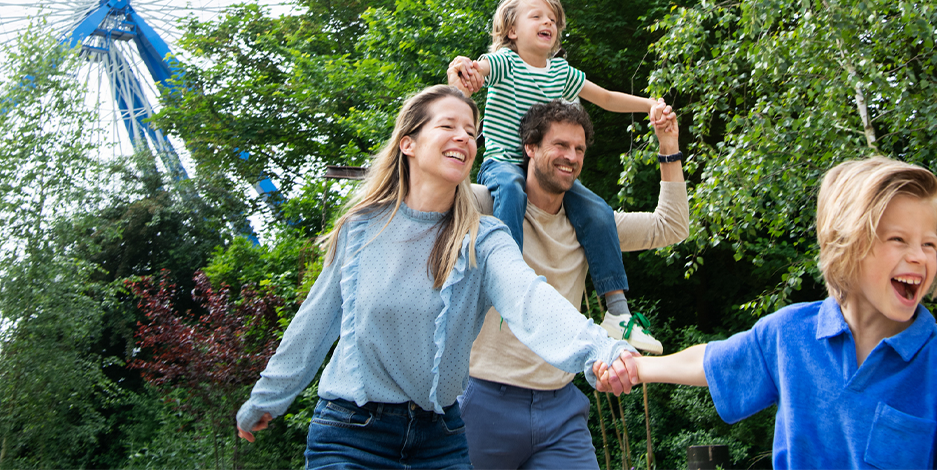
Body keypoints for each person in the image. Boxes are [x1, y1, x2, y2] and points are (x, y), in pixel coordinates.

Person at [236, 85, 644, 470]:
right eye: (448, 126)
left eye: (471, 131)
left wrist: (600, 349)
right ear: (407, 143)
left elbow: (531, 300)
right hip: (350, 434)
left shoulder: (482, 239)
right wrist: (267, 398)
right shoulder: (361, 229)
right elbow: (314, 322)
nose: (464, 137)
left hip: (441, 437)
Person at [632, 157, 937, 470]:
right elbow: (713, 360)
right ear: (847, 245)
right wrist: (638, 369)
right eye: (898, 239)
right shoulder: (791, 332)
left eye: (929, 244)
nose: (918, 256)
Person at [460, 98, 689, 470]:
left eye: (579, 148)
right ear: (530, 148)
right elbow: (425, 192)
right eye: (561, 145)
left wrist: (668, 144)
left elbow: (671, 227)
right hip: (483, 400)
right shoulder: (484, 205)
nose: (571, 156)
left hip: (560, 410)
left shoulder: (593, 227)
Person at [448, 0, 660, 348]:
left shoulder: (561, 71)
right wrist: (464, 71)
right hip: (505, 162)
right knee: (512, 191)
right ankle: (508, 282)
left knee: (598, 211)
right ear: (512, 31)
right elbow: (475, 71)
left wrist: (650, 105)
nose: (548, 22)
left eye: (553, 19)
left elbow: (606, 99)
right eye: (537, 16)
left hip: (545, 169)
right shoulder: (505, 62)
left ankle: (617, 310)